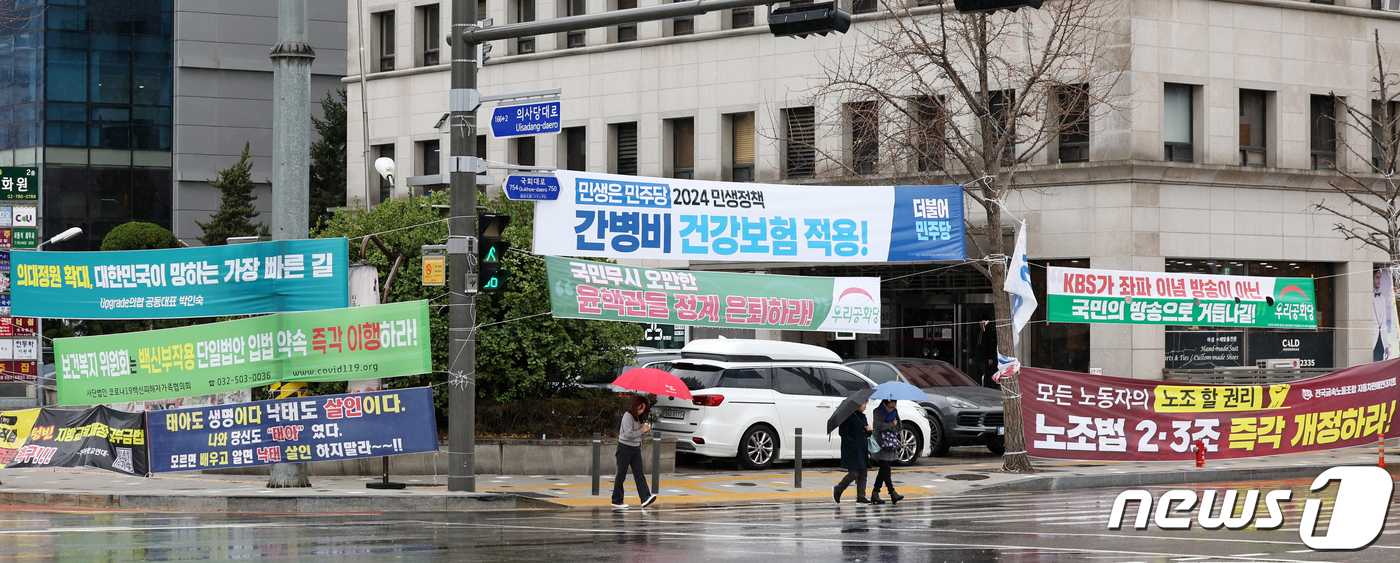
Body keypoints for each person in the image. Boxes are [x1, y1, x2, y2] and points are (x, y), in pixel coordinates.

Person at [611, 395, 658, 509]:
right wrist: (642, 430)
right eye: (639, 407)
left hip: (635, 449)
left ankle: (645, 497)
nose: (640, 410)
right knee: (621, 475)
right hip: (624, 448)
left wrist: (643, 431)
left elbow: (636, 433)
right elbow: (629, 434)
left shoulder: (639, 417)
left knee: (639, 473)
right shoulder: (628, 416)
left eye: (643, 409)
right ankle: (617, 500)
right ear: (635, 405)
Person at [833, 401, 872, 504]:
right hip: (852, 449)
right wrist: (852, 444)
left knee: (863, 473)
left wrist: (869, 431)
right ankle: (839, 489)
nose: (865, 406)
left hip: (862, 448)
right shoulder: (848, 417)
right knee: (854, 473)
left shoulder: (863, 417)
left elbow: (866, 433)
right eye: (863, 404)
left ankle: (861, 496)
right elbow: (843, 433)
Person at [869, 399, 905, 505]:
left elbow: (900, 426)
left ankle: (875, 493)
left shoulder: (895, 412)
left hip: (890, 443)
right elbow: (879, 426)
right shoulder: (877, 411)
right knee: (886, 468)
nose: (892, 409)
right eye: (889, 407)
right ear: (884, 404)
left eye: (893, 407)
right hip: (881, 444)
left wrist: (890, 425)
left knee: (884, 469)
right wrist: (892, 424)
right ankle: (892, 492)